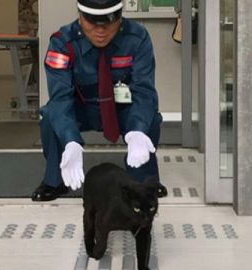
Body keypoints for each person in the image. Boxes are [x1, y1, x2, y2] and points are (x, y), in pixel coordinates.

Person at [31, 0, 168, 201]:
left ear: (120, 18)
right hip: (82, 107)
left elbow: (144, 92)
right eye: (93, 23)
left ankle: (143, 179)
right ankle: (55, 180)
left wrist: (137, 129)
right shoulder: (62, 42)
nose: (100, 31)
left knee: (150, 120)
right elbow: (60, 98)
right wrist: (70, 141)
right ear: (80, 16)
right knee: (51, 116)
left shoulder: (137, 38)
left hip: (122, 108)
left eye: (108, 24)